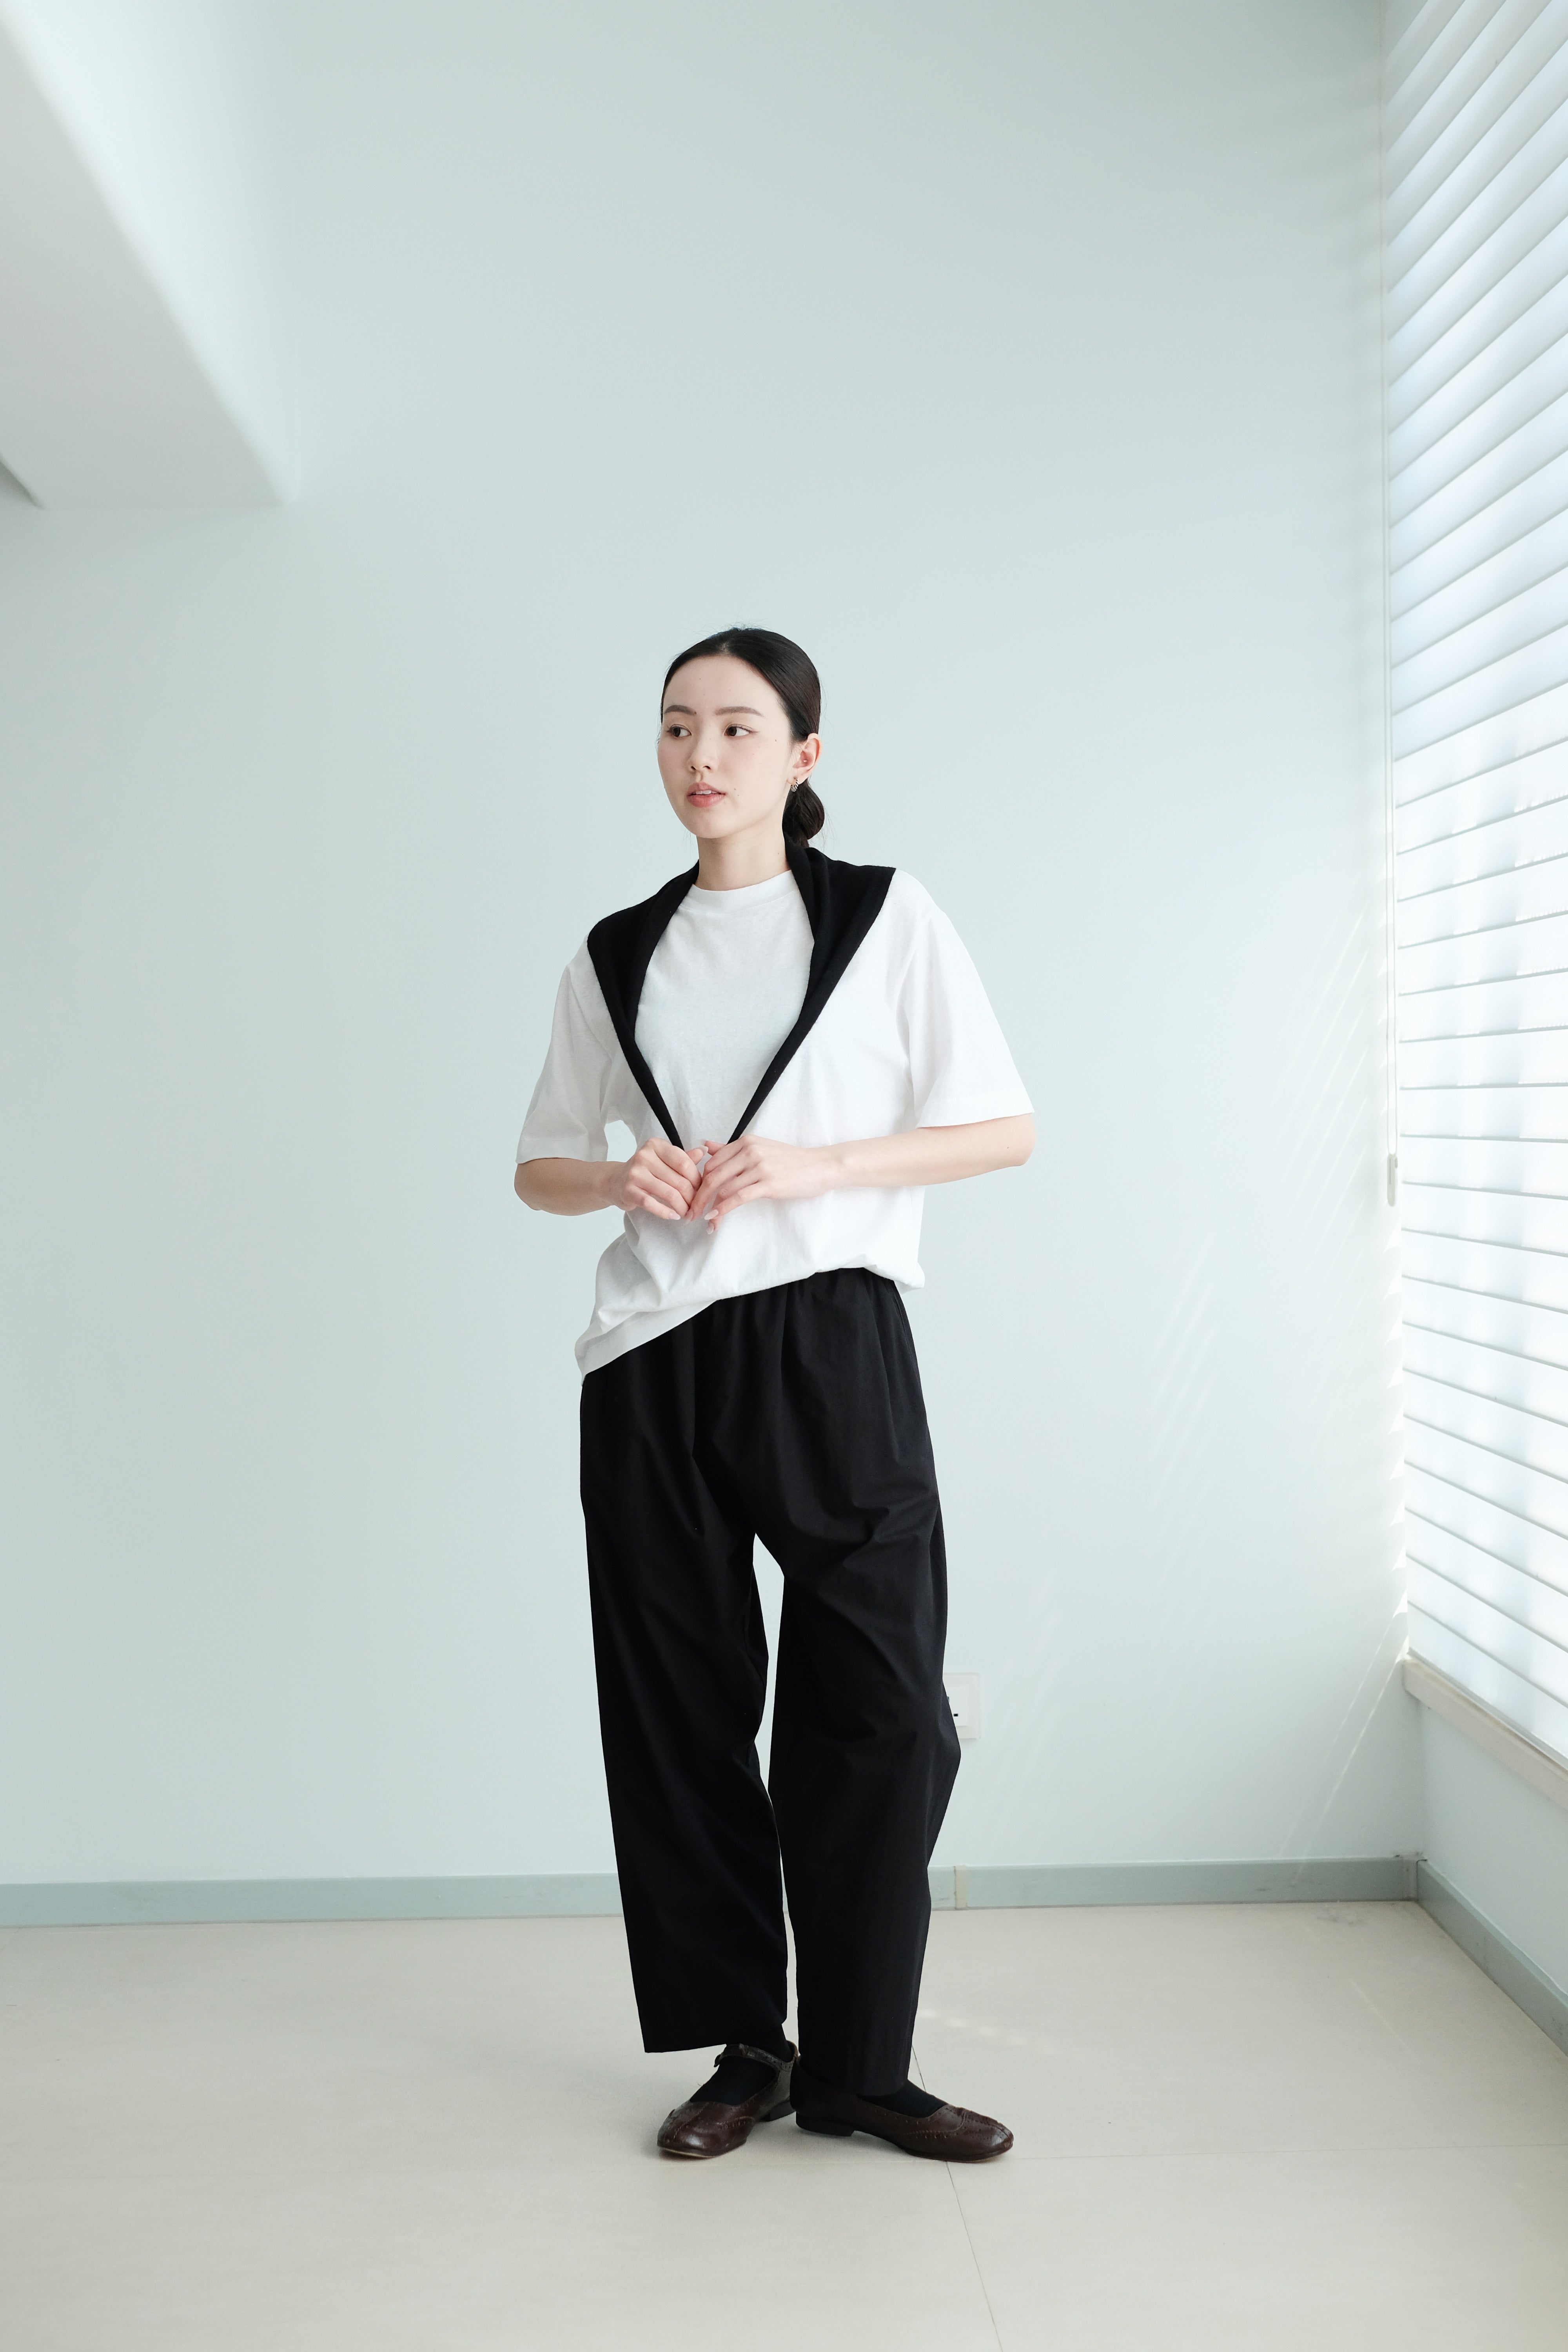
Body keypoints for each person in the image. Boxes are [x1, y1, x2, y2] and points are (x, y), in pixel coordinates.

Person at [514, 626, 1033, 2161]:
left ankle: (862, 2064)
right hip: (650, 1357)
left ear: (803, 755)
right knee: (679, 1712)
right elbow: (538, 1163)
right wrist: (619, 1176)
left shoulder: (882, 917)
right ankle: (749, 2048)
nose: (702, 755)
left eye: (739, 727)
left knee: (883, 1703)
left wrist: (823, 1166)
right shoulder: (617, 951)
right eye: (677, 725)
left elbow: (999, 1125)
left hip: (829, 1336)